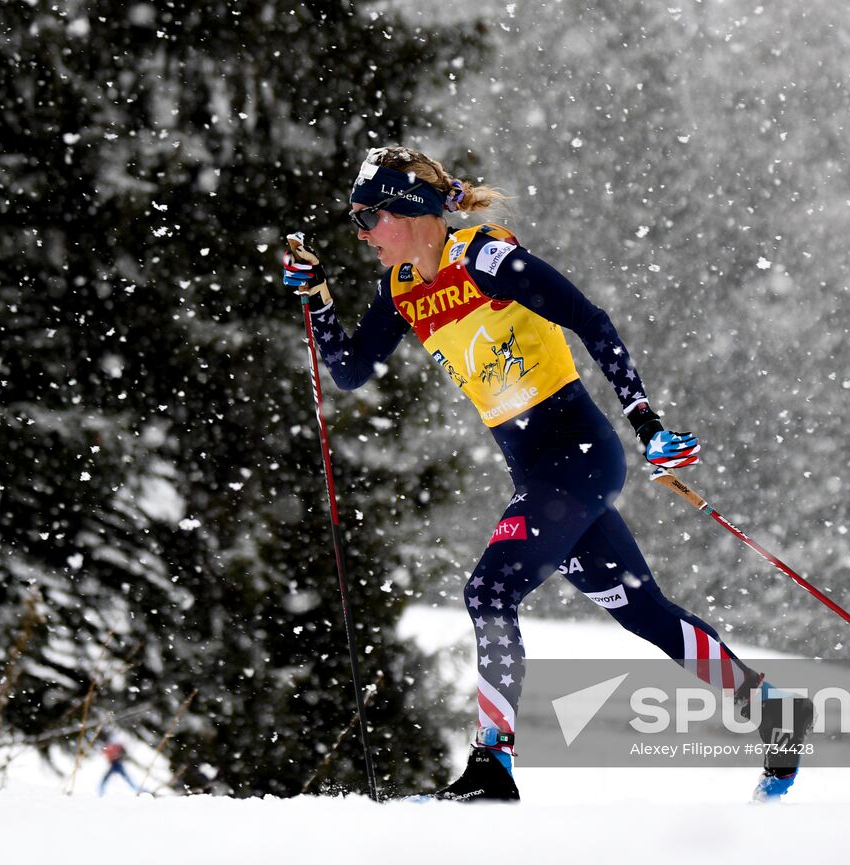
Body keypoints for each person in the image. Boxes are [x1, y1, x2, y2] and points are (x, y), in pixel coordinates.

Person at [283, 145, 813, 802]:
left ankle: (492, 766)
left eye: (369, 216)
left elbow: (591, 320)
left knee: (489, 592)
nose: (360, 232)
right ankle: (774, 714)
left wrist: (646, 422)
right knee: (644, 611)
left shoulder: (485, 260)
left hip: (578, 457)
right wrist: (320, 300)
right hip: (539, 472)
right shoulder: (403, 289)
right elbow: (350, 370)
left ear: (414, 210)